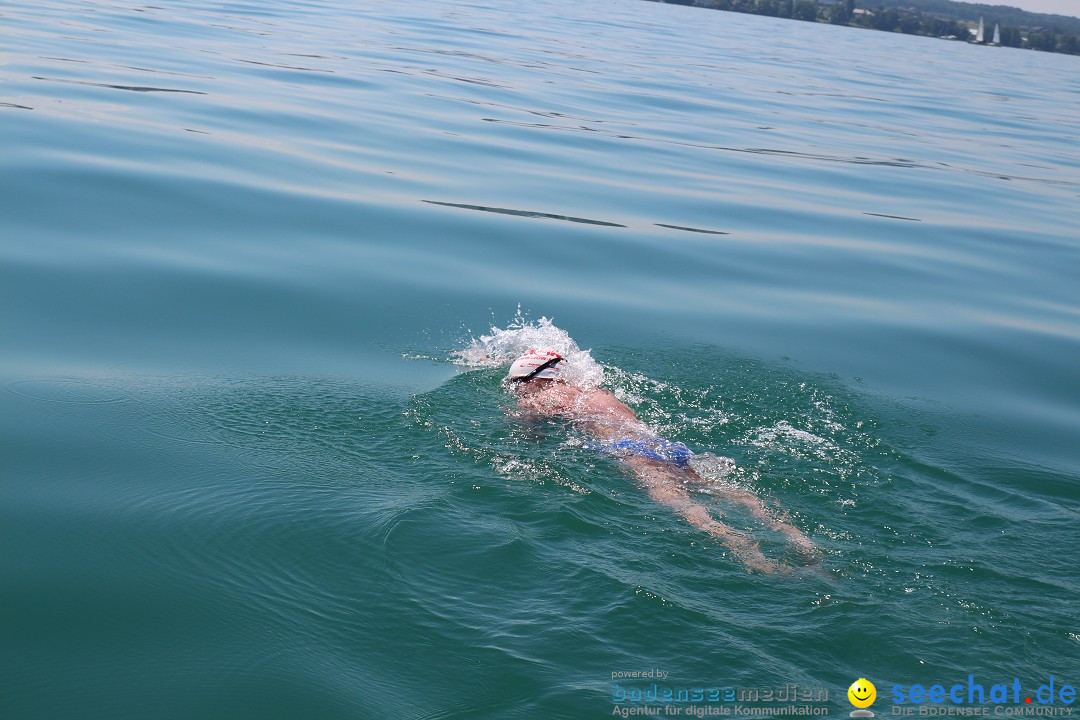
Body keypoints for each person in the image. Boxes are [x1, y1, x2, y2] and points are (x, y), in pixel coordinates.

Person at [506, 349, 818, 574]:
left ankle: (757, 560)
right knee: (722, 491)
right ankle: (797, 538)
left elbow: (529, 435)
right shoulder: (593, 390)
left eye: (520, 383)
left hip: (630, 451)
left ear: (537, 378)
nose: (518, 389)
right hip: (665, 446)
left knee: (686, 508)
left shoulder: (546, 396)